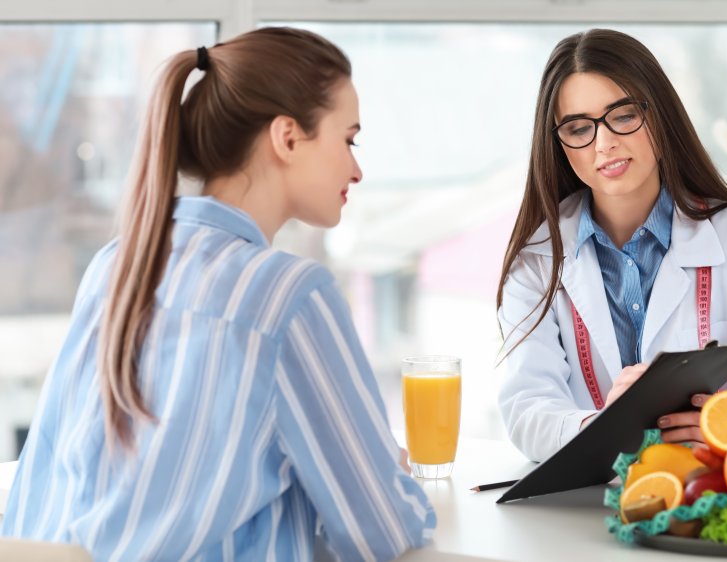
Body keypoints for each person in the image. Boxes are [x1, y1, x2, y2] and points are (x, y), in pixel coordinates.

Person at [1, 27, 435, 561]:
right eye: (348, 139)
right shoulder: (288, 295)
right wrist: (387, 470)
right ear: (288, 137)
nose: (357, 168)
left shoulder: (115, 264)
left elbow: (42, 481)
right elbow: (381, 531)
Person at [496, 29, 727, 463]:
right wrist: (609, 425)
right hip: (585, 505)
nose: (603, 143)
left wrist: (722, 427)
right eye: (578, 128)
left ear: (658, 115)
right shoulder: (536, 261)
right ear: (559, 143)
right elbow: (526, 410)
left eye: (622, 116)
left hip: (709, 498)